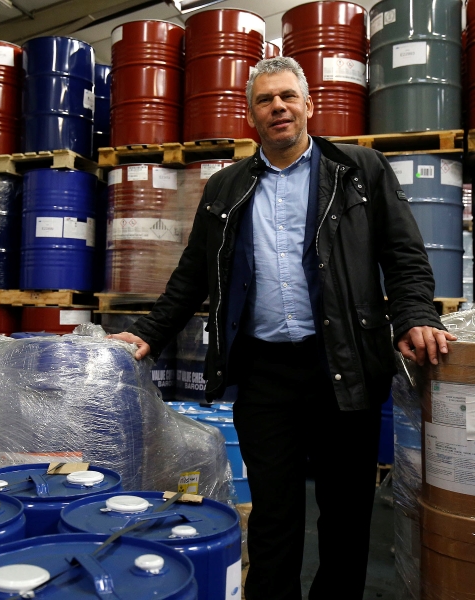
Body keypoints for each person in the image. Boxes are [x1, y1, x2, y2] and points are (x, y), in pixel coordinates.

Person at [109, 56, 456, 600]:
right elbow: (192, 274)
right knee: (274, 513)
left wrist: (415, 315)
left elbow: (404, 253)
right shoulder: (226, 188)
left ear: (308, 104)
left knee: (345, 515)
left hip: (344, 364)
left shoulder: (358, 171)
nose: (278, 108)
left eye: (288, 97)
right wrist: (149, 334)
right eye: (265, 101)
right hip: (266, 372)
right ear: (251, 116)